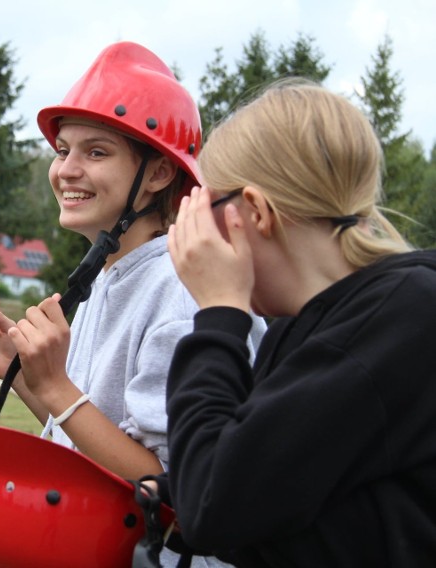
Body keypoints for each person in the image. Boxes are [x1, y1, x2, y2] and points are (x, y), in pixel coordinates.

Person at [0, 42, 265, 567]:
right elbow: (97, 438)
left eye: (95, 152)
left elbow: (172, 488)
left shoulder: (180, 290)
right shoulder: (110, 274)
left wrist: (54, 384)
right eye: (62, 150)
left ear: (160, 173)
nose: (66, 170)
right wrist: (21, 371)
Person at [157, 80, 436, 566]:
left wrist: (220, 312)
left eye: (209, 206)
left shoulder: (403, 316)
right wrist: (171, 487)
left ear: (257, 212)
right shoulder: (314, 325)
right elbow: (264, 482)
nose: (197, 227)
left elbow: (215, 506)